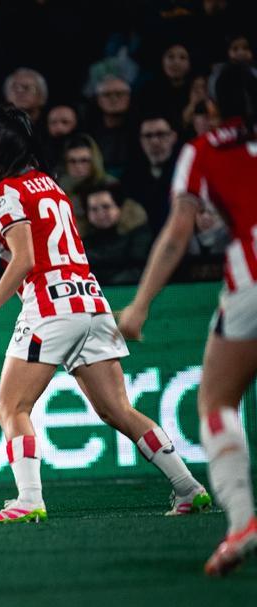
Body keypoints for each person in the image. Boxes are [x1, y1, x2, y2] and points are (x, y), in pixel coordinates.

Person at [0, 105, 208, 525]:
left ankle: (28, 499)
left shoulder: (5, 191)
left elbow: (25, 258)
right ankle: (188, 487)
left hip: (52, 306)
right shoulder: (52, 186)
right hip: (91, 301)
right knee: (117, 410)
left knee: (11, 407)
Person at [117, 65, 257, 576]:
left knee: (216, 402)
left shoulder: (202, 151)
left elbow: (178, 233)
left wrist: (140, 305)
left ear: (212, 107)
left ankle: (241, 521)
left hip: (250, 283)